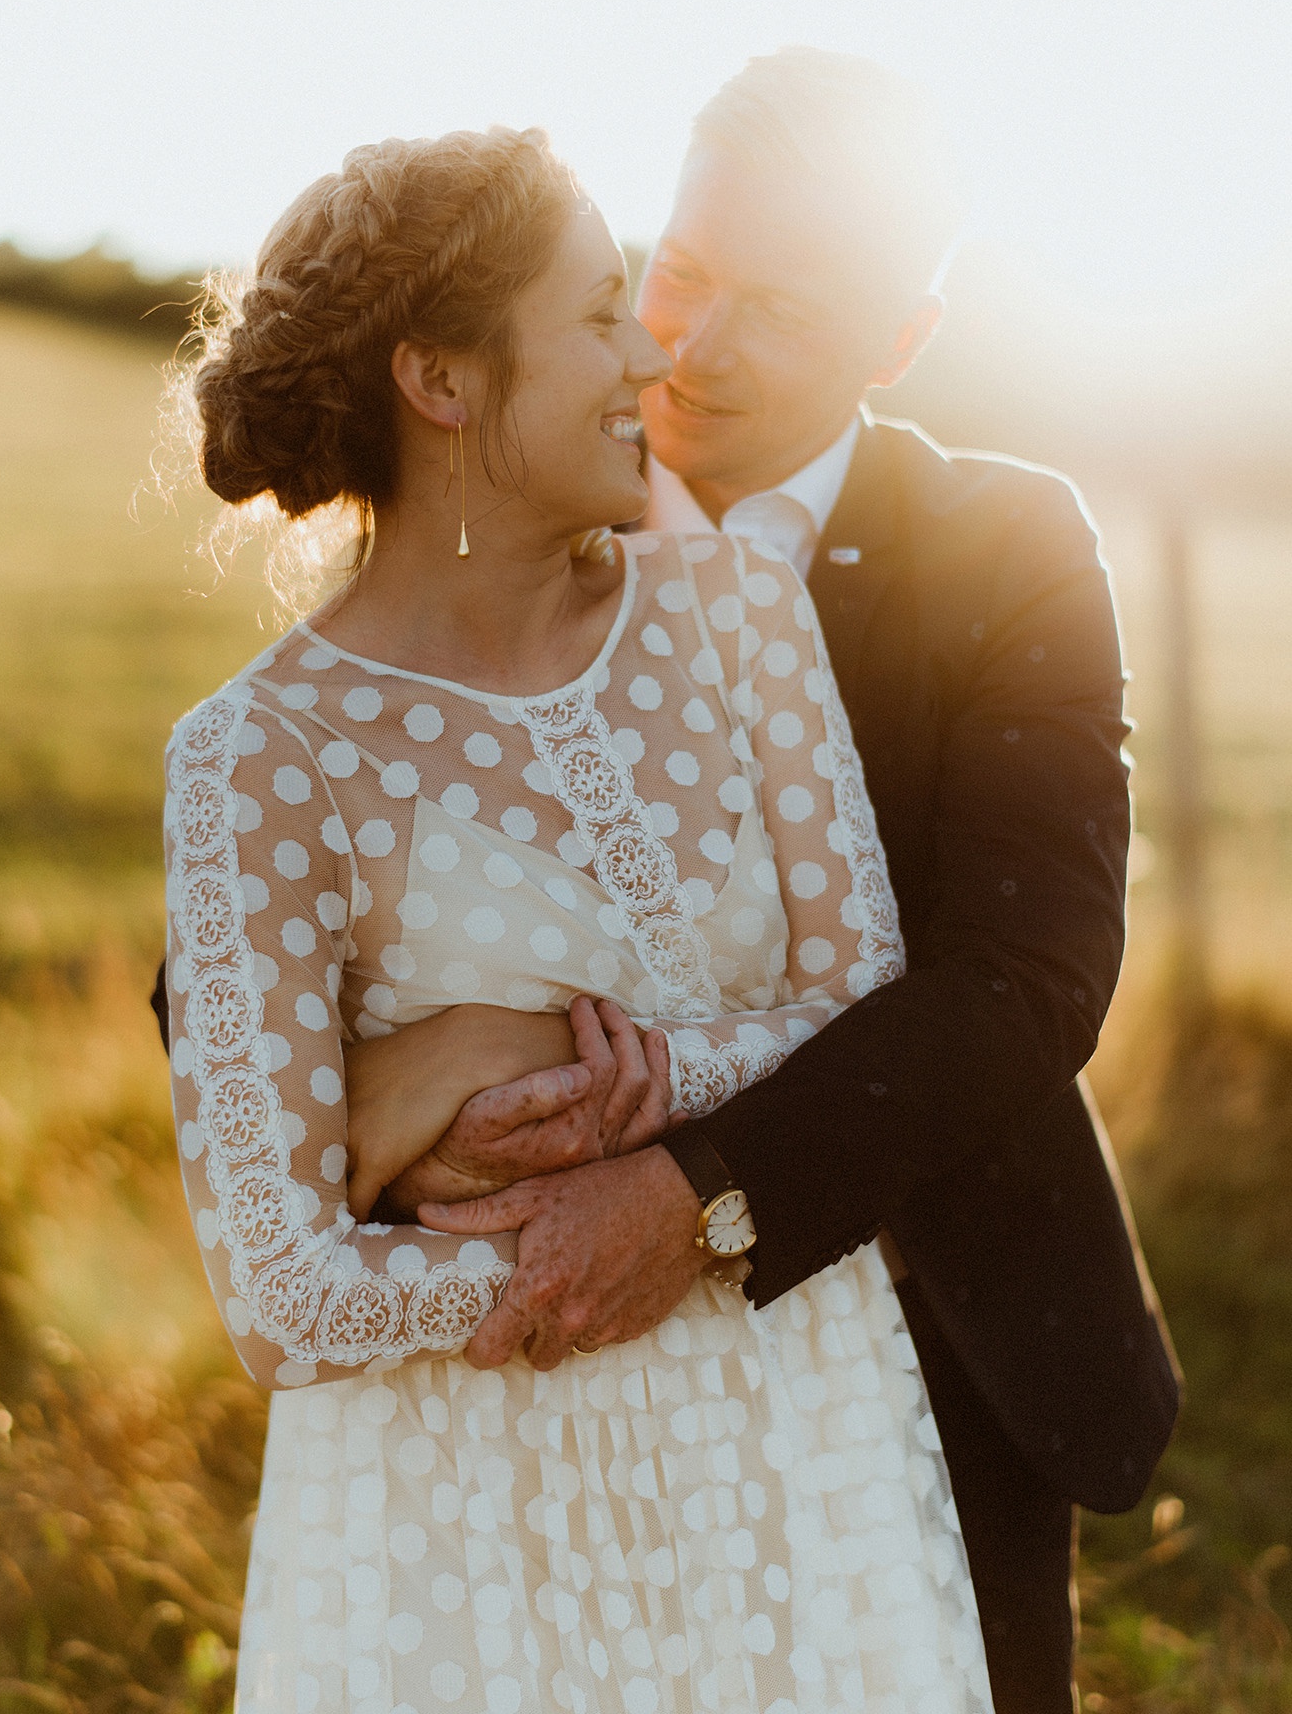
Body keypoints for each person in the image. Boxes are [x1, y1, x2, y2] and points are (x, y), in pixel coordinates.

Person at [347, 55, 1182, 1714]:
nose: (693, 350)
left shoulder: (1006, 550)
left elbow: (1027, 973)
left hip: (933, 1342)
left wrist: (696, 1196)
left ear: (900, 340)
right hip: (524, 1374)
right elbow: (260, 890)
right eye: (681, 273)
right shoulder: (469, 510)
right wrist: (390, 1104)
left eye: (780, 313)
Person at [162, 126, 995, 1713]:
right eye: (603, 312)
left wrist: (583, 1084)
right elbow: (280, 1290)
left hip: (791, 1432)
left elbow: (867, 1009)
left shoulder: (741, 619)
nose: (650, 352)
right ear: (444, 382)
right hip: (464, 1510)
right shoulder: (257, 760)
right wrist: (560, 1255)